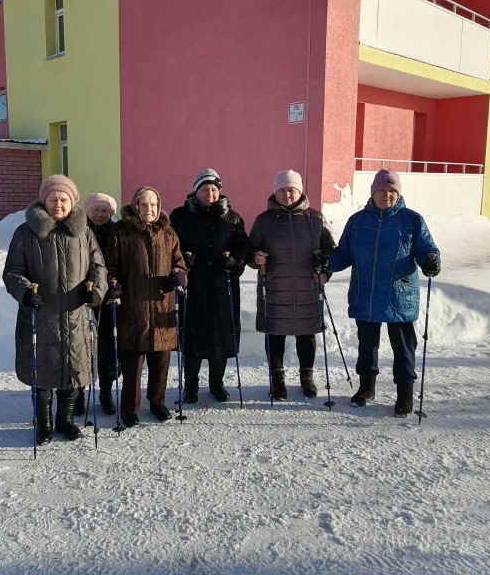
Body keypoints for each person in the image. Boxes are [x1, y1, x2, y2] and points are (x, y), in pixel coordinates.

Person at [324, 169, 440, 417]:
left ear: (398, 193)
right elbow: (344, 253)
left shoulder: (412, 220)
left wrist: (431, 262)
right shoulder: (357, 221)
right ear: (373, 192)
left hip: (399, 294)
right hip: (366, 293)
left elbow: (427, 249)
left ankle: (405, 394)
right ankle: (367, 388)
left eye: (392, 191)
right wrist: (327, 263)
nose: (387, 195)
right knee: (367, 345)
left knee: (403, 347)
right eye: (382, 190)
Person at [3, 175, 107, 445]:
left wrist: (96, 290)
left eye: (63, 199)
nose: (58, 204)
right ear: (44, 201)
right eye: (53, 199)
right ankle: (45, 424)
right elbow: (12, 271)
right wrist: (25, 291)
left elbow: (98, 266)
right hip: (40, 315)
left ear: (72, 202)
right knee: (42, 372)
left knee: (73, 370)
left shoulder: (84, 232)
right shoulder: (26, 232)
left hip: (75, 315)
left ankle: (66, 421)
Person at [103, 186, 188, 427]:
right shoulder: (121, 231)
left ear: (158, 206)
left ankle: (157, 402)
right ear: (135, 206)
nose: (148, 208)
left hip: (162, 306)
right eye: (144, 204)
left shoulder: (168, 232)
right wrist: (113, 284)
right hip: (133, 307)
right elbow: (110, 265)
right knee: (132, 363)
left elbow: (179, 262)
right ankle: (130, 408)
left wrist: (181, 275)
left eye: (153, 204)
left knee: (160, 362)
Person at [248, 169, 335, 400]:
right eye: (282, 190)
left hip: (308, 286)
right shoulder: (264, 220)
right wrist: (255, 258)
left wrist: (326, 271)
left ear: (300, 191)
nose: (287, 194)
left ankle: (306, 377)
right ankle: (277, 379)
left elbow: (330, 251)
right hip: (275, 287)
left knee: (306, 333)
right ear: (275, 192)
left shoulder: (316, 218)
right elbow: (249, 249)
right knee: (275, 333)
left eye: (292, 190)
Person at [169, 168, 249, 403]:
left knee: (220, 336)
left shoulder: (232, 217)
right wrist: (182, 259)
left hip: (222, 286)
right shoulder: (180, 216)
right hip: (193, 285)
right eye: (205, 189)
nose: (210, 194)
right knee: (192, 336)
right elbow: (170, 245)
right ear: (196, 191)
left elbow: (243, 246)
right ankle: (190, 386)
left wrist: (234, 261)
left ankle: (216, 383)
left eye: (214, 189)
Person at [79, 192, 119, 416]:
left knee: (107, 348)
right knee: (81, 346)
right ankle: (78, 393)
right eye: (96, 209)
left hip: (109, 298)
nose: (100, 214)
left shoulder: (117, 232)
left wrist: (116, 284)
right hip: (81, 296)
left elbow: (121, 263)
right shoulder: (78, 231)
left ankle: (106, 392)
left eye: (105, 210)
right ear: (88, 211)